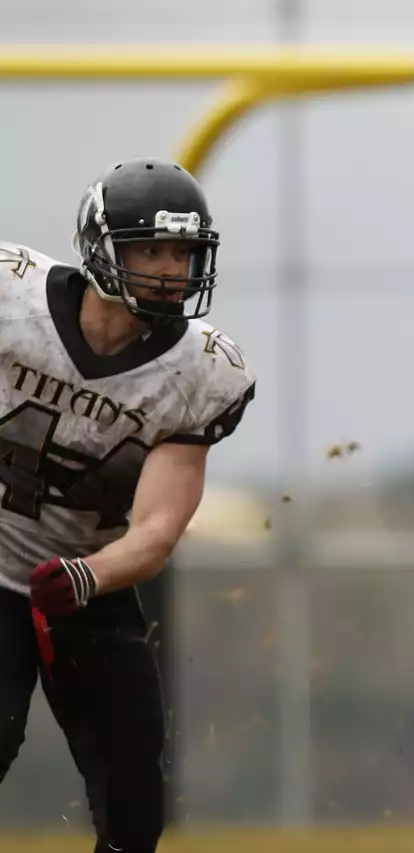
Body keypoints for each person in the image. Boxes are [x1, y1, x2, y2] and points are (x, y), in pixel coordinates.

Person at [0, 157, 256, 853]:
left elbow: (156, 530)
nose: (172, 268)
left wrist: (86, 576)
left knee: (136, 799)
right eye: (151, 248)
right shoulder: (10, 295)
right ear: (100, 246)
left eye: (183, 252)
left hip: (86, 581)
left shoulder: (200, 373)